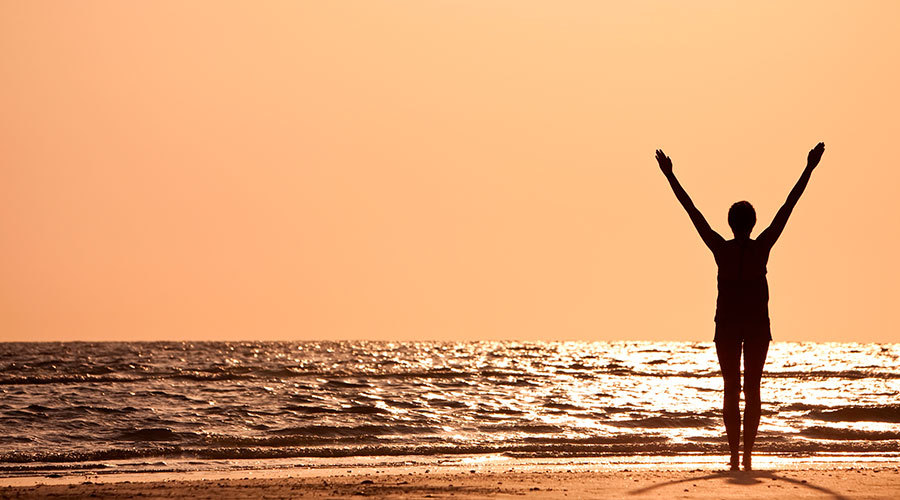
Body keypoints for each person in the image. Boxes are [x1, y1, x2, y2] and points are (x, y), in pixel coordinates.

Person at [655, 142, 825, 471]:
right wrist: (809, 168)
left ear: (732, 223)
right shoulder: (761, 247)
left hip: (729, 326)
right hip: (756, 326)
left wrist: (670, 176)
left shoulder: (722, 249)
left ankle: (735, 454)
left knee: (731, 388)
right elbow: (788, 206)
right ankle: (745, 454)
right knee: (752, 388)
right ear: (752, 223)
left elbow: (692, 211)